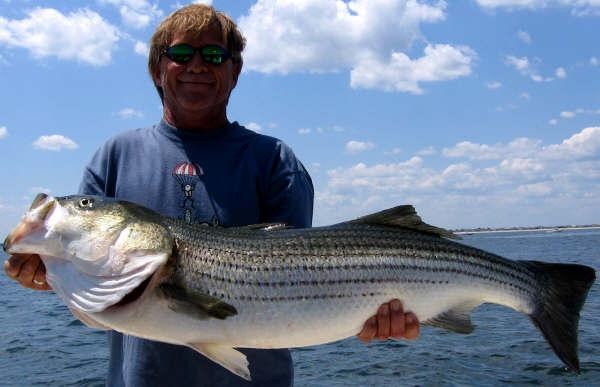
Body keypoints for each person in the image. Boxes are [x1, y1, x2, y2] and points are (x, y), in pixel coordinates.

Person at [4, 4, 419, 386]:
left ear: (235, 72)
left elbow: (305, 271)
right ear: (156, 68)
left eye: (215, 56)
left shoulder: (273, 158)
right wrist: (51, 275)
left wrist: (372, 315)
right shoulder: (115, 155)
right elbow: (94, 294)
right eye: (181, 54)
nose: (197, 66)